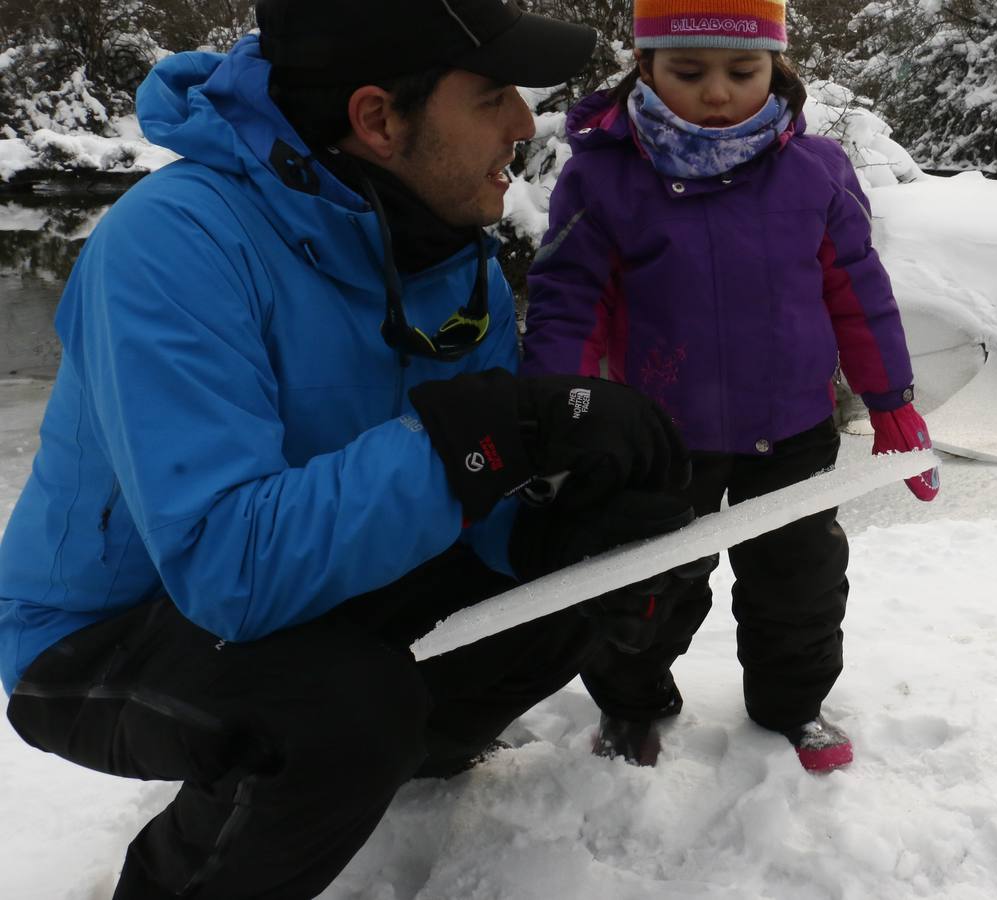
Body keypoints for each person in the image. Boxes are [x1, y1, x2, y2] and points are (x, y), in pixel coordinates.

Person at [0, 1, 699, 897]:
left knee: (567, 590)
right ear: (377, 119)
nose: (526, 123)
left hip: (314, 586)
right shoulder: (172, 242)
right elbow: (228, 570)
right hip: (105, 633)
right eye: (491, 95)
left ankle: (397, 764)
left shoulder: (454, 253)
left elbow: (461, 497)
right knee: (338, 715)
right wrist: (484, 438)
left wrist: (557, 540)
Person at [522, 0, 941, 774]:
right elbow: (568, 304)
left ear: (775, 68)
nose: (718, 92)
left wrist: (892, 403)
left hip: (792, 430)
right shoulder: (603, 179)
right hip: (660, 438)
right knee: (645, 590)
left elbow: (857, 291)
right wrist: (560, 424)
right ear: (644, 67)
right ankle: (632, 704)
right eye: (689, 71)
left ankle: (793, 705)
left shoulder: (816, 172)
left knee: (801, 587)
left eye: (742, 71)